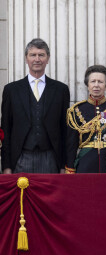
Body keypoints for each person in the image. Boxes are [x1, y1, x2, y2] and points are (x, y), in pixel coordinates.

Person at [1, 38, 70, 174]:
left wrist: (64, 166)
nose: (37, 59)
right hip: (20, 158)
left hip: (51, 158)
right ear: (27, 58)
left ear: (48, 58)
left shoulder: (61, 90)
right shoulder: (11, 90)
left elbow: (65, 129)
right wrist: (6, 166)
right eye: (33, 55)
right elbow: (6, 129)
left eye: (41, 55)